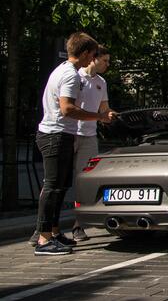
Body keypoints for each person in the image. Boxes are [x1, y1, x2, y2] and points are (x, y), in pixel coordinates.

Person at [33, 32, 115, 256]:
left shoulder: (62, 70)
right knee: (52, 187)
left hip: (59, 134)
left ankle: (54, 232)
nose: (93, 59)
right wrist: (99, 117)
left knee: (59, 187)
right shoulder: (70, 75)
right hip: (56, 134)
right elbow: (67, 108)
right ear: (86, 53)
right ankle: (43, 238)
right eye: (93, 55)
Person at [71, 45, 116, 241]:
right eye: (105, 60)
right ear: (93, 59)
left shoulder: (101, 82)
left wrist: (110, 116)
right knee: (57, 181)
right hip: (70, 133)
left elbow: (104, 109)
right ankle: (44, 227)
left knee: (84, 182)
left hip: (89, 136)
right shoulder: (75, 77)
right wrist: (99, 116)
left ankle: (78, 226)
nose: (108, 64)